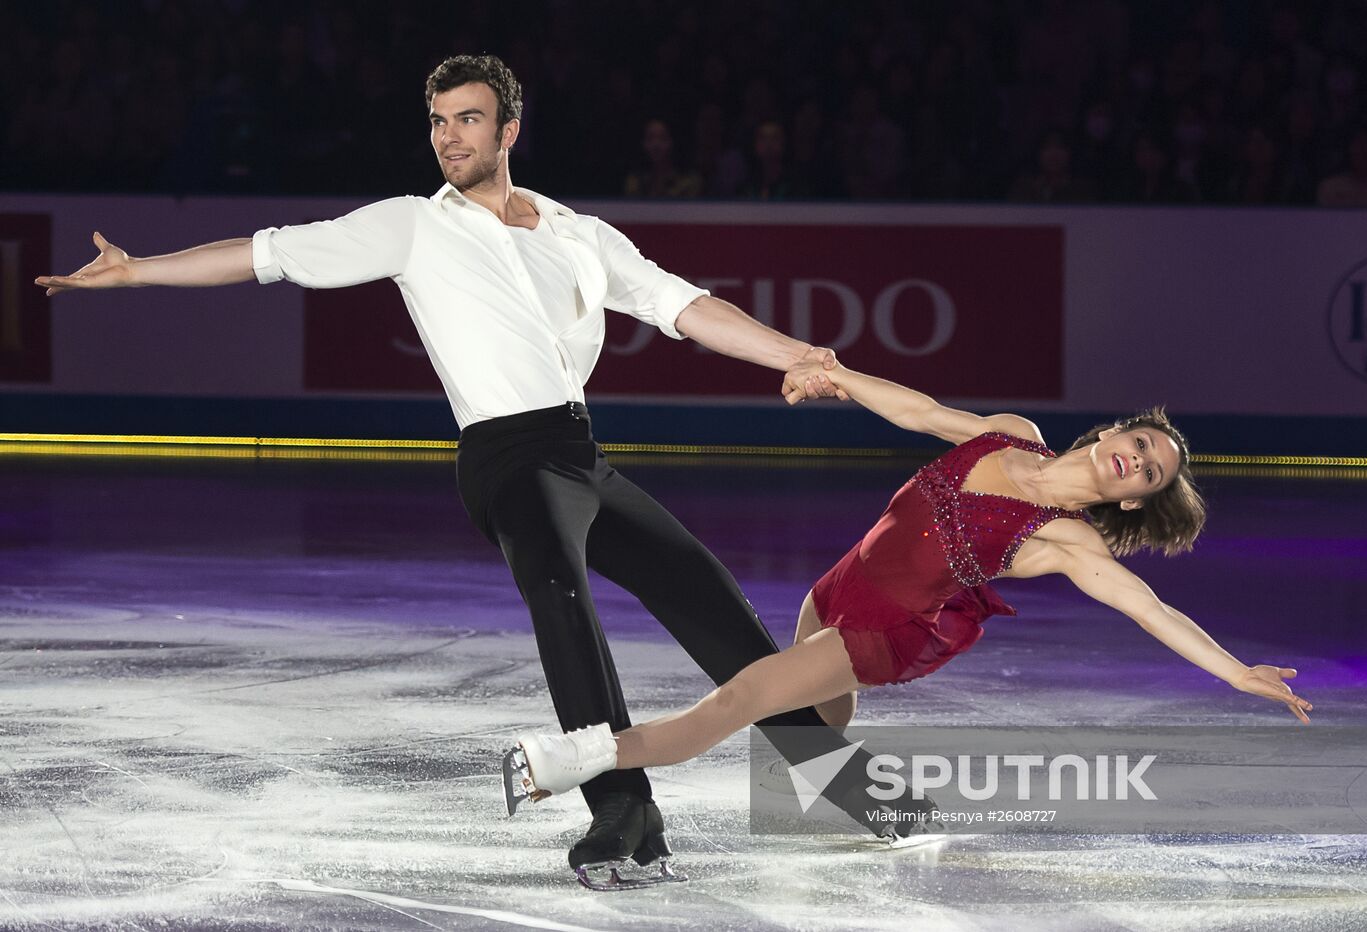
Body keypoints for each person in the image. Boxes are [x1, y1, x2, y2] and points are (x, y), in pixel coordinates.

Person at [33, 53, 864, 889]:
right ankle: (620, 803)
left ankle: (837, 782)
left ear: (508, 129)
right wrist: (138, 270)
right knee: (562, 601)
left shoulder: (579, 233)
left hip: (581, 454)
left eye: (467, 119)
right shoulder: (411, 225)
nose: (448, 137)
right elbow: (265, 254)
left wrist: (796, 355)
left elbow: (684, 306)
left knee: (703, 591)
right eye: (437, 121)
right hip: (506, 458)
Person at [507, 357, 1314, 810]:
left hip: (882, 630)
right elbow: (923, 411)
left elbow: (1150, 607)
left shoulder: (1064, 539)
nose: (1136, 458)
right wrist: (835, 376)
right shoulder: (1015, 435)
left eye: (1149, 471)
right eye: (1140, 442)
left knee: (740, 701)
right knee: (805, 731)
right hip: (835, 588)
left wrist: (1237, 673)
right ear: (1113, 433)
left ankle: (574, 758)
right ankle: (874, 802)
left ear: (1134, 495)